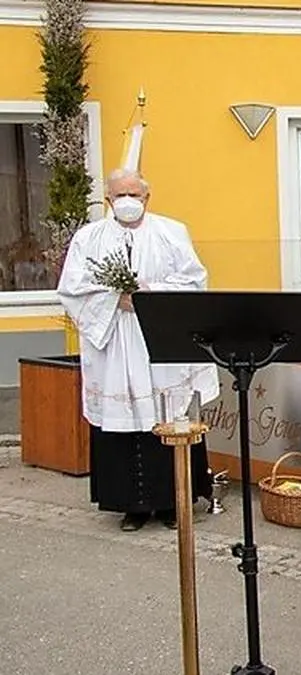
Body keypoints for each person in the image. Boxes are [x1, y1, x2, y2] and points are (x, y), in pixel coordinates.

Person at [57, 168, 219, 532]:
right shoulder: (89, 238)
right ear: (108, 200)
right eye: (120, 195)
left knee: (168, 415)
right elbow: (71, 289)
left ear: (147, 197)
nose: (128, 201)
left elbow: (194, 281)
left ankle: (173, 502)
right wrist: (115, 298)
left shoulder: (171, 232)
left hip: (159, 337)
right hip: (113, 340)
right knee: (122, 420)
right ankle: (130, 505)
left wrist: (149, 293)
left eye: (135, 194)